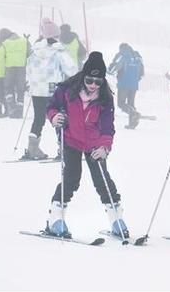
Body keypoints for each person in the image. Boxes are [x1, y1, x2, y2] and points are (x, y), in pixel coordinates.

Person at [44, 51, 130, 239]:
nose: (93, 85)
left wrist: (104, 147)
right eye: (90, 80)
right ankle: (56, 219)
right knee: (72, 177)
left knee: (102, 179)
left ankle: (116, 218)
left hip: (94, 143)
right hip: (71, 139)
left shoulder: (105, 98)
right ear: (84, 76)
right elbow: (50, 107)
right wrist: (54, 117)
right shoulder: (66, 90)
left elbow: (108, 127)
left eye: (98, 82)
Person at [25, 18, 77, 160]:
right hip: (54, 91)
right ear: (56, 35)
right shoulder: (59, 51)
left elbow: (28, 69)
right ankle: (64, 150)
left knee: (39, 119)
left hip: (37, 91)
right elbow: (72, 70)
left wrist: (33, 84)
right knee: (58, 118)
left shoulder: (35, 51)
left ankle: (32, 149)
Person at [108, 43, 144, 129]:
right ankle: (132, 123)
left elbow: (113, 68)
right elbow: (142, 72)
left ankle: (133, 113)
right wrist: (136, 79)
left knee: (121, 103)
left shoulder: (122, 55)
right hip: (134, 84)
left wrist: (108, 70)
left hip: (124, 83)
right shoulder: (137, 56)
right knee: (131, 103)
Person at [0, 27, 30, 119]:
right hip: (21, 68)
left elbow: (2, 57)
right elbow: (29, 53)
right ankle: (19, 112)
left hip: (9, 68)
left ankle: (12, 109)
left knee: (8, 88)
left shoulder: (5, 43)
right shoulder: (24, 41)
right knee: (20, 90)